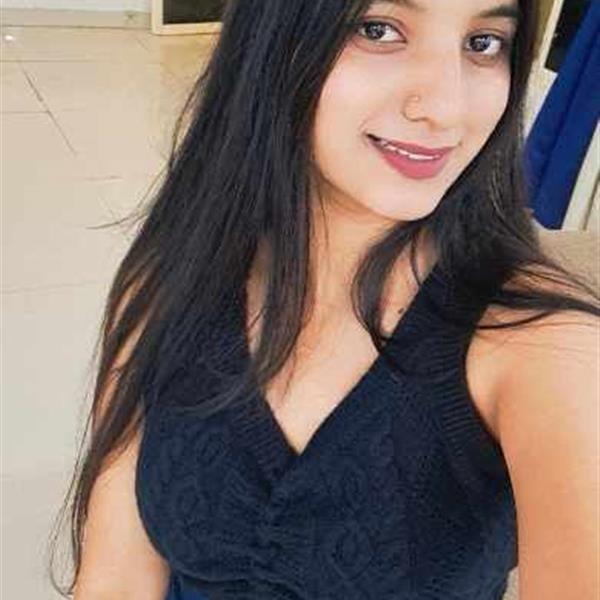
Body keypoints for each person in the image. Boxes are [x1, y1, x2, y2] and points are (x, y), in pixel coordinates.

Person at [49, 0, 600, 598]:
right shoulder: (173, 276)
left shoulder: (544, 349)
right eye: (378, 30)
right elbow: (116, 578)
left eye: (483, 43)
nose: (446, 108)